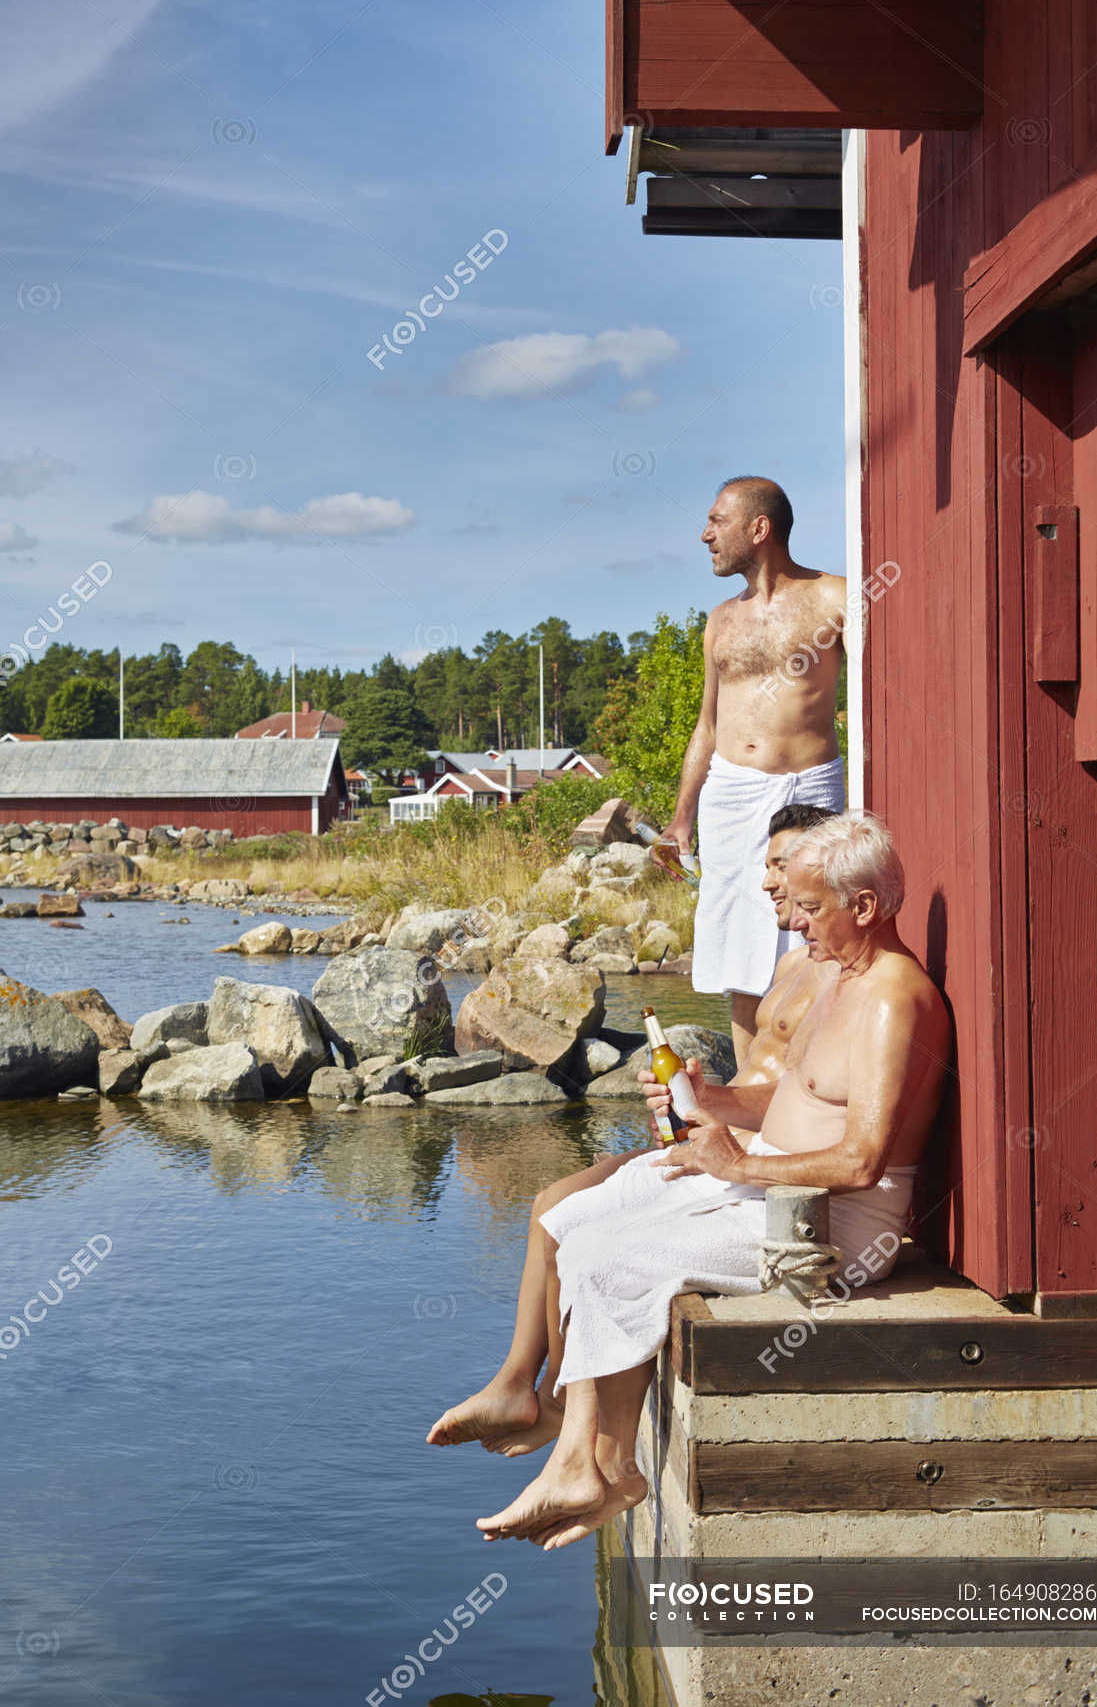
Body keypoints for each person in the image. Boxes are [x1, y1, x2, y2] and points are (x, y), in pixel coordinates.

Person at [473, 812, 950, 1550]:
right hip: (772, 1188)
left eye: (811, 908)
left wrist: (737, 1164)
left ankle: (594, 1462)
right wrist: (707, 1104)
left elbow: (862, 1162)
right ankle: (595, 1461)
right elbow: (800, 1103)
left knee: (607, 1256)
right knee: (576, 1224)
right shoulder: (839, 977)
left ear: (864, 907)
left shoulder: (894, 999)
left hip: (833, 1229)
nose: (796, 926)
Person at [426, 803, 839, 1458]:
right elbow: (770, 1089)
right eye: (766, 865)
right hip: (726, 1139)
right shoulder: (790, 969)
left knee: (571, 1220)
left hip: (757, 1167)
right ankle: (516, 1383)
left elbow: (811, 1112)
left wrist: (721, 1135)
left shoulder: (842, 984)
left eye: (780, 865)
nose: (767, 882)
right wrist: (702, 1101)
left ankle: (561, 1409)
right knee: (546, 1204)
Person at [654, 476, 846, 1060]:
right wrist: (680, 819)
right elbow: (707, 724)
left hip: (811, 787)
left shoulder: (836, 597)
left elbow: (879, 701)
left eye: (717, 521)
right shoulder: (720, 620)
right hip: (731, 794)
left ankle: (809, 1080)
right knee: (739, 946)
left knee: (815, 929)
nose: (704, 535)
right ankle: (749, 1084)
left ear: (758, 529)